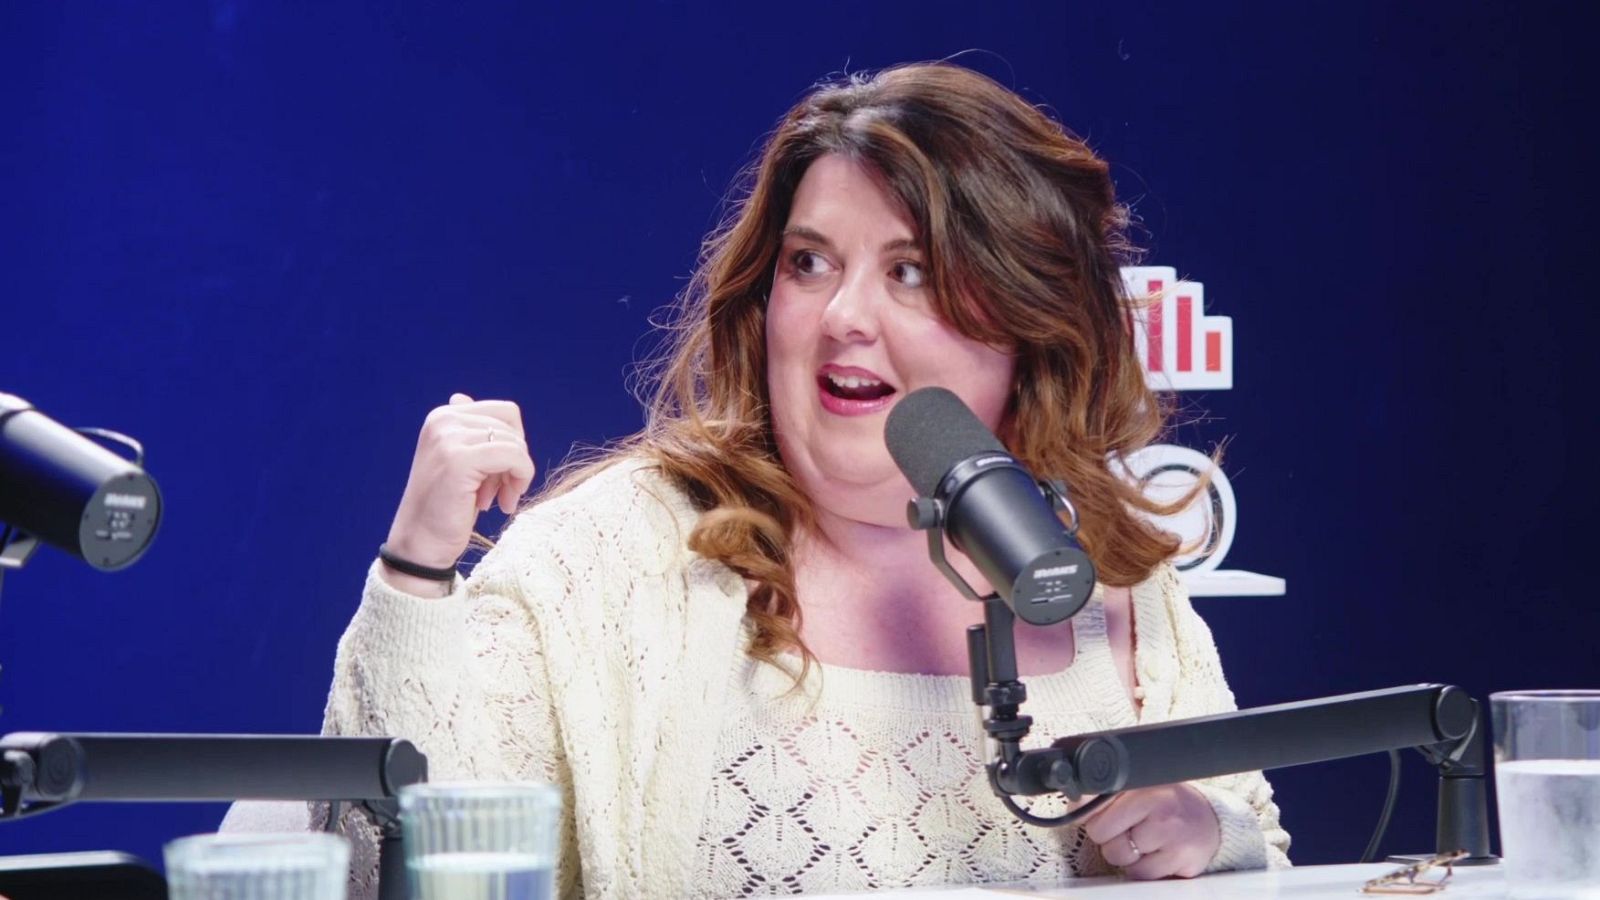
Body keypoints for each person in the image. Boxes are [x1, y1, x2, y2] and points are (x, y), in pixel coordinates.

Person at [225, 61, 1290, 898]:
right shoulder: (606, 563)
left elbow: (1263, 855)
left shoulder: (1106, 573)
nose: (840, 318)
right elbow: (386, 874)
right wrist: (415, 576)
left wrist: (1211, 838)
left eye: (908, 270)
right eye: (808, 262)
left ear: (1024, 319)